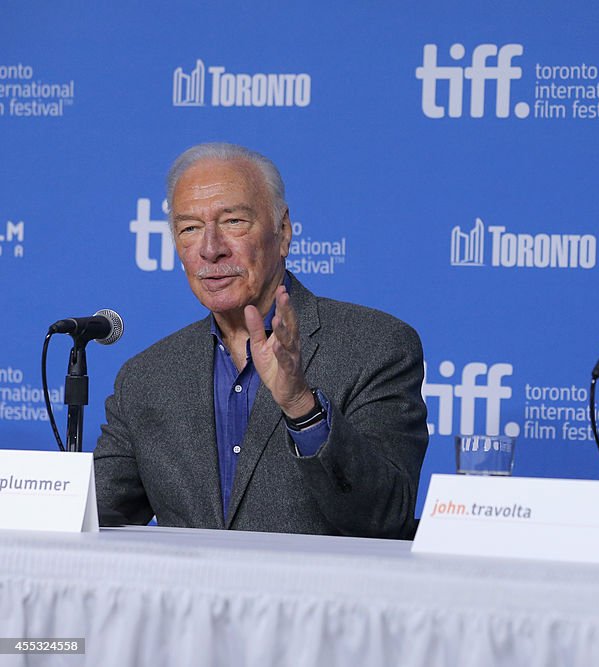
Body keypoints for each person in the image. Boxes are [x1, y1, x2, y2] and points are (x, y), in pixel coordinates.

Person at [94, 143, 428, 538]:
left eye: (233, 222)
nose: (210, 249)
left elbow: (384, 517)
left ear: (282, 231)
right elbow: (94, 514)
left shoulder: (376, 347)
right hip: (188, 600)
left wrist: (302, 406)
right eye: (189, 229)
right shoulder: (147, 377)